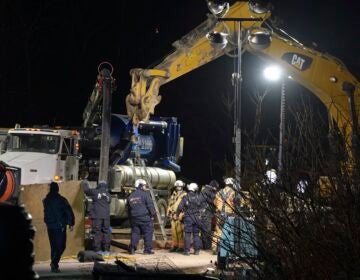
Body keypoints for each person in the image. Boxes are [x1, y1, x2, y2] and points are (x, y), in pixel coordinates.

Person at [43, 182, 75, 273]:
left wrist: (47, 223)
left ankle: (54, 265)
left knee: (53, 247)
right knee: (61, 246)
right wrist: (71, 223)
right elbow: (68, 211)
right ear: (57, 189)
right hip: (59, 227)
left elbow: (46, 213)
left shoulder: (46, 200)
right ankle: (54, 263)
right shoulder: (61, 200)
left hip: (50, 227)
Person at [82, 180, 111, 255]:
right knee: (106, 232)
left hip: (97, 216)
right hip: (106, 216)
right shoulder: (108, 195)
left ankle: (97, 250)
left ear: (99, 185)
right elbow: (108, 202)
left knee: (97, 232)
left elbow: (86, 190)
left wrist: (85, 183)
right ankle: (106, 250)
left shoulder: (95, 192)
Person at [127, 179, 155, 255]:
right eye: (144, 185)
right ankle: (147, 250)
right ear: (141, 186)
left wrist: (131, 220)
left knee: (135, 233)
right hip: (145, 218)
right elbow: (150, 206)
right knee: (148, 232)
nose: (145, 187)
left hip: (134, 219)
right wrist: (152, 215)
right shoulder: (145, 195)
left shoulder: (130, 196)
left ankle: (132, 248)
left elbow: (128, 210)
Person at [176, 182, 203, 256]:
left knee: (187, 234)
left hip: (188, 218)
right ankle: (197, 251)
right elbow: (203, 208)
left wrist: (177, 215)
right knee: (196, 234)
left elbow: (180, 207)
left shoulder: (186, 197)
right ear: (195, 189)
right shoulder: (199, 197)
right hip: (197, 218)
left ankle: (187, 251)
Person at [212, 177, 236, 254]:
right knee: (228, 232)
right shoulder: (233, 192)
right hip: (229, 215)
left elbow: (215, 202)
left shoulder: (219, 192)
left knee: (218, 231)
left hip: (219, 214)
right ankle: (227, 249)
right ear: (232, 184)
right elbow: (237, 203)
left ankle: (215, 249)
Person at [166, 180, 187, 252]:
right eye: (177, 186)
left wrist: (182, 214)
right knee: (173, 232)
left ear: (182, 187)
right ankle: (175, 246)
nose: (178, 188)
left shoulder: (184, 195)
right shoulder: (174, 194)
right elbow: (170, 203)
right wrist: (168, 210)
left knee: (179, 231)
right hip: (173, 214)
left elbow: (185, 206)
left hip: (179, 215)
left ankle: (181, 247)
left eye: (179, 186)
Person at [200, 179, 219, 250]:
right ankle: (207, 247)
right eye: (216, 188)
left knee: (204, 230)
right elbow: (213, 201)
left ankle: (203, 245)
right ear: (214, 186)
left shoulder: (204, 190)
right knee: (207, 230)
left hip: (204, 213)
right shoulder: (209, 191)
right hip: (207, 213)